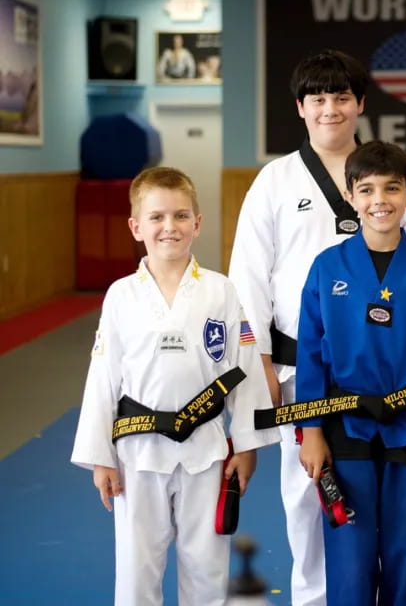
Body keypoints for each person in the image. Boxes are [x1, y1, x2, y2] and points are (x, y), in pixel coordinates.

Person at [228, 50, 406, 606]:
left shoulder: (387, 174)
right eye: (318, 98)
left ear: (360, 104)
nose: (330, 109)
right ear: (300, 107)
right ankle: (315, 599)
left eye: (342, 98)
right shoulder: (275, 180)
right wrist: (258, 358)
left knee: (390, 499)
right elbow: (248, 275)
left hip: (388, 371)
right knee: (309, 493)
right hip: (300, 365)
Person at [70, 166, 279, 606]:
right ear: (136, 226)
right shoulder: (121, 295)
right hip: (137, 454)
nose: (170, 227)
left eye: (182, 216)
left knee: (207, 567)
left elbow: (242, 371)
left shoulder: (222, 291)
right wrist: (99, 458)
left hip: (206, 449)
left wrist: (247, 444)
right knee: (136, 569)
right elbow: (103, 376)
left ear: (198, 224)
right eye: (158, 217)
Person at [296, 141, 406, 606]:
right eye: (367, 189)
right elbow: (310, 352)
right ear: (351, 196)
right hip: (343, 423)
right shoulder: (327, 267)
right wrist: (310, 430)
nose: (380, 200)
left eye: (392, 188)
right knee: (350, 553)